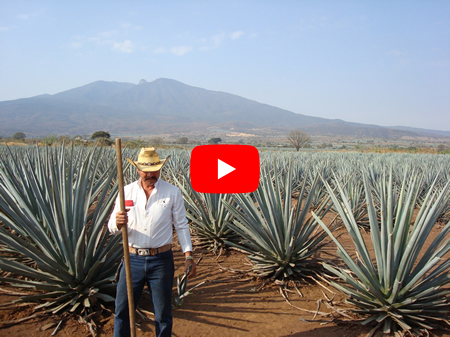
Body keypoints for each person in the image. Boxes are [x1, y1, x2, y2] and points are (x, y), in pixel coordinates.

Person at [108, 147, 197, 337]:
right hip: (132, 259)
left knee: (163, 312)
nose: (150, 174)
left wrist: (188, 255)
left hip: (161, 260)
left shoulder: (172, 192)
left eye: (154, 169)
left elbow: (181, 225)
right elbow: (111, 227)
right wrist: (117, 222)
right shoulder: (126, 192)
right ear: (138, 170)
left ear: (160, 169)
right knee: (123, 309)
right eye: (145, 170)